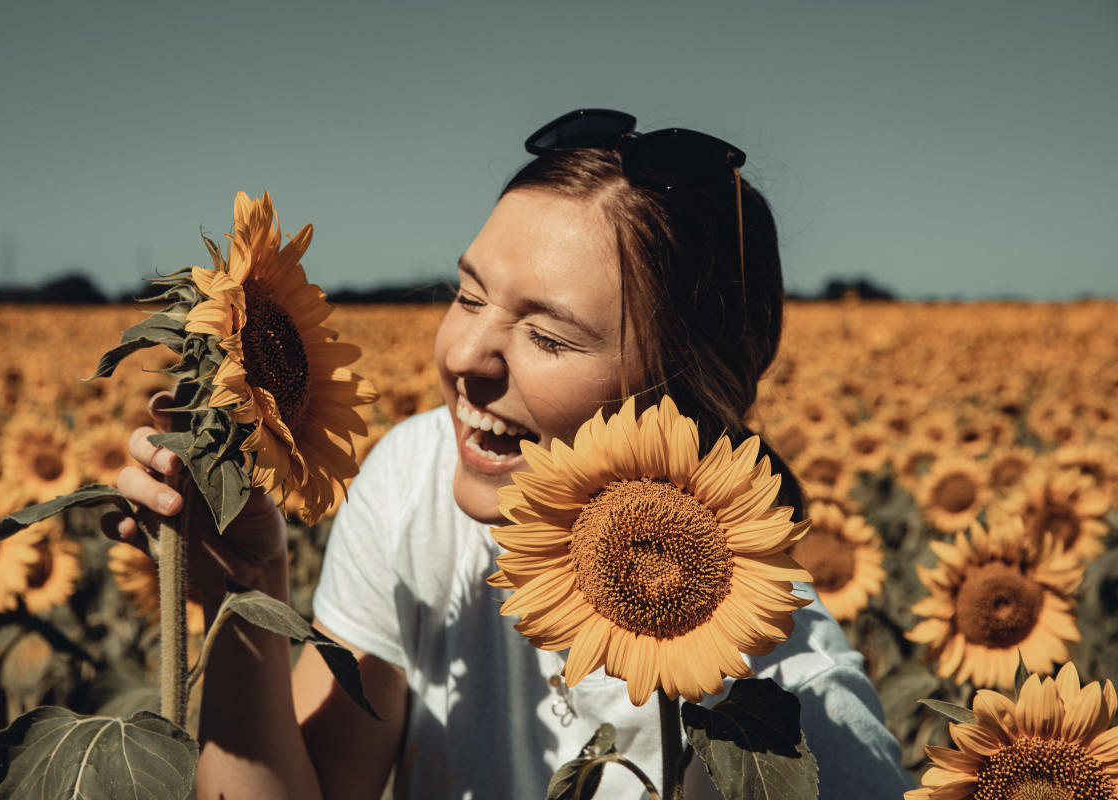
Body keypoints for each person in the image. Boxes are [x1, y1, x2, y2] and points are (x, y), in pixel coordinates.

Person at [108, 108, 915, 798]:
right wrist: (246, 589)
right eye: (467, 296)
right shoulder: (417, 481)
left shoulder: (804, 731)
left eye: (548, 335)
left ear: (688, 396)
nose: (467, 356)